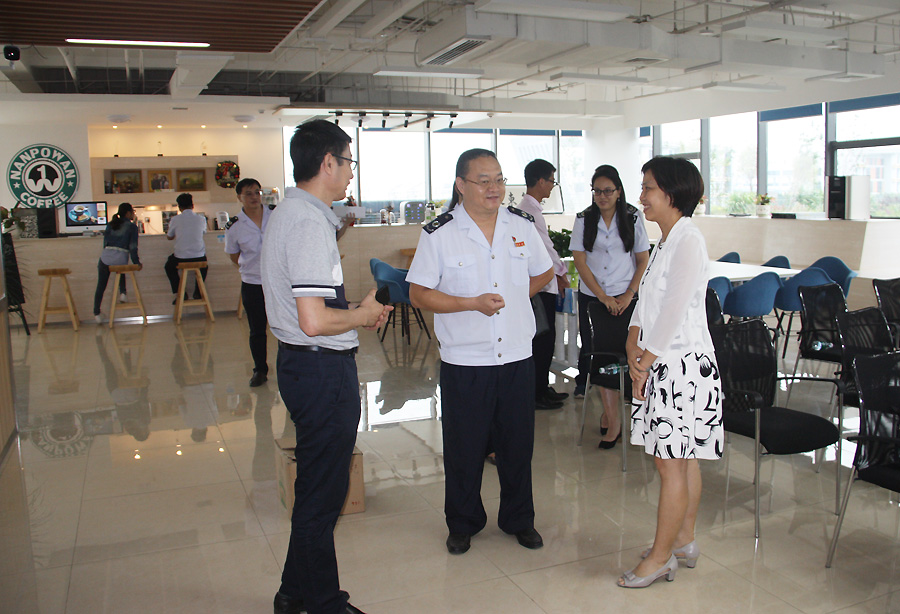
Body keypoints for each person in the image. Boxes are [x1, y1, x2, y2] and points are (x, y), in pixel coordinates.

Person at [262, 119, 391, 614]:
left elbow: (312, 308)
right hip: (320, 372)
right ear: (328, 162)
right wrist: (361, 315)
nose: (352, 172)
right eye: (349, 161)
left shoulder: (293, 212)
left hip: (303, 365)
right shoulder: (308, 222)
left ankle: (293, 593)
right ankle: (324, 603)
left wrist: (356, 311)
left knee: (318, 485)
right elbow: (314, 321)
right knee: (323, 494)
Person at [407, 148, 553, 556]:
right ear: (461, 185)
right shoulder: (439, 233)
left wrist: (516, 298)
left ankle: (519, 519)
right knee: (465, 448)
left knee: (517, 447)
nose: (494, 188)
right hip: (466, 360)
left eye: (499, 180)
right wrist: (470, 303)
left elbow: (544, 270)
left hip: (517, 356)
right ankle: (463, 523)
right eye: (484, 181)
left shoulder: (520, 224)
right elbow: (418, 293)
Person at [618, 156, 723, 589]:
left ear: (672, 193)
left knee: (671, 465)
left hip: (680, 367)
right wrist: (632, 341)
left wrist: (644, 362)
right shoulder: (666, 240)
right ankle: (682, 540)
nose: (641, 196)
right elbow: (647, 303)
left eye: (648, 188)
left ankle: (661, 559)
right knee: (681, 459)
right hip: (662, 361)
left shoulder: (688, 240)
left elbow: (675, 310)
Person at [571, 165, 650, 448]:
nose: (602, 196)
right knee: (601, 358)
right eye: (597, 191)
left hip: (626, 297)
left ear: (618, 191)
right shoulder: (584, 219)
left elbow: (643, 259)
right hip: (594, 299)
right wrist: (602, 296)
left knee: (625, 355)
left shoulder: (632, 216)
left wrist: (629, 294)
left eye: (607, 191)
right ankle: (614, 420)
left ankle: (612, 412)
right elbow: (580, 261)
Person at [518, 159, 569, 410]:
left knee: (545, 339)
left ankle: (541, 387)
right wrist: (561, 272)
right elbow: (545, 249)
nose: (552, 186)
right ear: (540, 181)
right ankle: (537, 392)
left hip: (541, 283)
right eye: (551, 181)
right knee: (542, 340)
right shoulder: (529, 210)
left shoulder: (529, 208)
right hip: (541, 286)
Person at [225, 178, 271, 387]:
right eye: (249, 194)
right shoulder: (234, 226)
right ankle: (260, 370)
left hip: (277, 281)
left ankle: (290, 367)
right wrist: (250, 268)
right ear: (239, 197)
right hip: (252, 283)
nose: (254, 197)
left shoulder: (275, 215)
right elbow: (234, 255)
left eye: (257, 192)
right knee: (257, 329)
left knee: (287, 325)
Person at [93, 202, 141, 323]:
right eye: (132, 212)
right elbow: (133, 247)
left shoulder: (111, 224)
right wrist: (137, 262)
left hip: (106, 257)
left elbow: (105, 244)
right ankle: (123, 292)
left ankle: (97, 313)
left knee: (101, 286)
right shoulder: (132, 227)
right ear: (128, 213)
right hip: (120, 259)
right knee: (121, 266)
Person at [164, 193, 207, 302]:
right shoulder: (201, 219)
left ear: (179, 207)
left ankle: (180, 293)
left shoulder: (175, 219)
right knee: (204, 265)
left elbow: (169, 237)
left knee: (169, 266)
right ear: (192, 205)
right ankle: (198, 291)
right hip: (199, 257)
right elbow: (203, 232)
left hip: (181, 258)